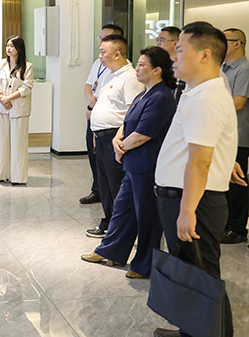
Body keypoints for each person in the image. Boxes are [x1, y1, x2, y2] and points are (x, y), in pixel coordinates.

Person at [152, 22, 236, 337]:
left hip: (195, 200)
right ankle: (191, 330)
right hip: (187, 196)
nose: (173, 56)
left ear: (204, 55)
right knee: (190, 273)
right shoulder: (198, 91)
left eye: (180, 50)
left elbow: (200, 161)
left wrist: (187, 210)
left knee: (202, 277)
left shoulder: (207, 97)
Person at [81, 47, 176, 277]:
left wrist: (121, 147)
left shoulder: (161, 97)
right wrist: (118, 138)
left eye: (142, 65)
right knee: (122, 210)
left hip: (147, 165)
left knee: (147, 216)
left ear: (157, 70)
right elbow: (127, 121)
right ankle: (111, 251)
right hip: (133, 163)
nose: (137, 68)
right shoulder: (145, 93)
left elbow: (144, 134)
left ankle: (144, 265)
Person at [87, 34, 142, 238]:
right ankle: (109, 222)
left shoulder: (130, 78)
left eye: (103, 52)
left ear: (117, 54)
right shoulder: (110, 75)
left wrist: (120, 139)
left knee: (116, 184)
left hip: (115, 138)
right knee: (105, 185)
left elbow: (132, 113)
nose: (100, 56)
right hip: (101, 137)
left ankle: (120, 227)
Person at [80, 24, 124, 205]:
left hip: (110, 126)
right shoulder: (98, 63)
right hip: (93, 115)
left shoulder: (121, 71)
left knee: (109, 165)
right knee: (94, 156)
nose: (101, 41)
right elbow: (89, 85)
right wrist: (90, 100)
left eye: (105, 38)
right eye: (100, 37)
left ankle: (110, 200)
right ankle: (97, 189)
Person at [0, 36, 34, 185]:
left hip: (19, 109)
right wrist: (1, 97)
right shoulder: (0, 64)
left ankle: (18, 177)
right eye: (7, 45)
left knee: (18, 143)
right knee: (2, 142)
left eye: (12, 46)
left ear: (19, 49)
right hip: (1, 108)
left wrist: (8, 98)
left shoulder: (27, 66)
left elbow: (26, 87)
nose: (8, 48)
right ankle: (1, 174)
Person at [221, 28, 249, 244]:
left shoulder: (244, 69)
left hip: (238, 135)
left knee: (237, 183)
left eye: (225, 40)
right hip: (224, 134)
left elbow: (238, 103)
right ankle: (226, 224)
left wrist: (210, 106)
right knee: (225, 183)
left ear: (237, 43)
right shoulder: (223, 68)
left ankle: (238, 229)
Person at [157, 26, 186, 100]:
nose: (158, 44)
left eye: (162, 40)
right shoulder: (162, 64)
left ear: (175, 44)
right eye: (157, 40)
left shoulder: (180, 66)